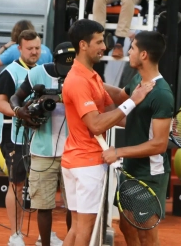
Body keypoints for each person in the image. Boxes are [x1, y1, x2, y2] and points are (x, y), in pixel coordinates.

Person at [61, 19, 154, 246]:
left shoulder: (90, 76)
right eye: (99, 42)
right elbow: (97, 124)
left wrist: (149, 125)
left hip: (77, 162)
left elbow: (115, 111)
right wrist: (134, 100)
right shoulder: (78, 81)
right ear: (83, 45)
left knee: (76, 228)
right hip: (86, 165)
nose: (105, 46)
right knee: (85, 230)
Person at [102, 30, 173, 246]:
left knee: (146, 234)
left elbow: (160, 144)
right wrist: (88, 78)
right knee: (126, 227)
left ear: (143, 55)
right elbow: (118, 98)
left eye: (132, 48)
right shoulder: (138, 81)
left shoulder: (161, 94)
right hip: (131, 169)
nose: (128, 52)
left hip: (150, 174)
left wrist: (118, 152)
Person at [10, 41, 76, 246]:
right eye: (64, 67)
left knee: (73, 207)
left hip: (73, 151)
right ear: (54, 60)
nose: (68, 71)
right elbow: (15, 97)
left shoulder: (79, 74)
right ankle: (45, 243)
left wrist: (57, 98)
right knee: (43, 205)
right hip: (41, 150)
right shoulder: (37, 73)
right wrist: (19, 111)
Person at [0, 29, 58, 246]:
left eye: (37, 48)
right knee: (17, 184)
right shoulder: (9, 73)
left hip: (41, 136)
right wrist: (19, 111)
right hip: (16, 137)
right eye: (29, 48)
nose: (34, 52)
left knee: (42, 184)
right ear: (19, 49)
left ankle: (44, 234)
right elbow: (0, 103)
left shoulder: (46, 71)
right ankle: (15, 234)